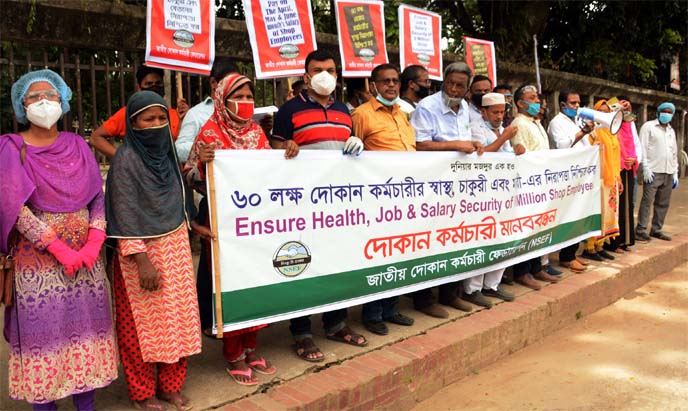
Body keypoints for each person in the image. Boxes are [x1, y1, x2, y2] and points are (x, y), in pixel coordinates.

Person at [1, 69, 117, 410]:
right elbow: (13, 207)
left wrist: (95, 240)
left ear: (63, 100)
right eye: (34, 97)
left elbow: (97, 195)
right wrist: (57, 247)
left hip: (86, 262)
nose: (43, 102)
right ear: (21, 105)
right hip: (38, 266)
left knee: (85, 333)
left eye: (50, 95)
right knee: (45, 338)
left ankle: (87, 406)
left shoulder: (78, 144)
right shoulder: (11, 147)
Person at [184, 74, 298, 385]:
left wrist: (287, 150)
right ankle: (233, 352)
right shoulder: (209, 132)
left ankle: (252, 347)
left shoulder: (258, 133)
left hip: (254, 218)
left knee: (255, 279)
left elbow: (268, 172)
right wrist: (201, 165)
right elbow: (190, 177)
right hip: (220, 217)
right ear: (223, 98)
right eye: (240, 96)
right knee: (229, 285)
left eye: (250, 96)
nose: (246, 102)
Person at [105, 91, 201, 410]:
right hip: (141, 255)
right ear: (133, 123)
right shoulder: (126, 159)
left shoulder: (169, 154)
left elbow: (183, 192)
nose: (157, 125)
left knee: (178, 321)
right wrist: (142, 260)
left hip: (176, 249)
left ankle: (171, 386)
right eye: (149, 119)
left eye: (162, 118)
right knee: (141, 329)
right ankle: (143, 392)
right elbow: (124, 210)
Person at [271, 49, 367, 362]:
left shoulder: (344, 110)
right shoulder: (289, 110)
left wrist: (356, 144)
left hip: (339, 205)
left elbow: (346, 147)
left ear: (337, 74)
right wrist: (285, 146)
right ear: (306, 73)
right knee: (303, 265)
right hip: (302, 204)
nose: (324, 74)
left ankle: (336, 323)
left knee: (338, 262)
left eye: (330, 69)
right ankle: (301, 332)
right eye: (317, 69)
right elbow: (273, 150)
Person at [410, 61, 483, 317]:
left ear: (468, 89)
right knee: (429, 241)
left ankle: (451, 294)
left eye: (460, 85)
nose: (453, 89)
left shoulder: (464, 108)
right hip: (431, 187)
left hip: (458, 187)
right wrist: (457, 145)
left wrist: (471, 144)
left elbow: (463, 142)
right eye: (449, 83)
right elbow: (420, 144)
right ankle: (424, 300)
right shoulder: (427, 106)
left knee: (456, 237)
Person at [352, 63, 416, 334]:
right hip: (378, 200)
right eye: (385, 81)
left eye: (395, 81)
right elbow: (352, 156)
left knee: (400, 252)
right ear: (373, 85)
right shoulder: (362, 114)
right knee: (378, 255)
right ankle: (373, 313)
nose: (391, 85)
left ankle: (391, 308)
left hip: (405, 198)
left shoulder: (403, 115)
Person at [462, 92, 523, 308]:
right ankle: (473, 289)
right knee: (482, 238)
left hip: (503, 194)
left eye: (502, 112)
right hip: (482, 195)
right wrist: (505, 138)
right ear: (483, 111)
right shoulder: (476, 128)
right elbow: (482, 154)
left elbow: (505, 155)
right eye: (495, 112)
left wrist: (515, 149)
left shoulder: (502, 129)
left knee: (504, 237)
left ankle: (492, 285)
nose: (499, 116)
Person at [509, 84, 561, 290]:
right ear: (520, 103)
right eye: (532, 99)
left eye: (537, 99)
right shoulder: (519, 123)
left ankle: (537, 267)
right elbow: (522, 154)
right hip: (528, 186)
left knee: (539, 227)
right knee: (526, 228)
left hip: (542, 184)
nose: (537, 102)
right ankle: (522, 271)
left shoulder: (536, 123)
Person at [90, 65, 189, 159]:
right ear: (139, 88)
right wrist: (123, 159)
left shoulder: (177, 114)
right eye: (149, 84)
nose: (154, 87)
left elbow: (182, 147)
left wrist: (185, 119)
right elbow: (95, 138)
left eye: (158, 83)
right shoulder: (128, 113)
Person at [546, 91, 595, 273]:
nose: (576, 106)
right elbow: (562, 146)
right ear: (562, 105)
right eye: (572, 103)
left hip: (580, 175)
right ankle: (565, 256)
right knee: (566, 216)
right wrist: (582, 132)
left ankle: (571, 254)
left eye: (578, 103)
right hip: (564, 176)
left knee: (578, 215)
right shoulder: (556, 123)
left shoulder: (576, 121)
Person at [175, 57, 239, 162]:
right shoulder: (196, 114)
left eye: (237, 82)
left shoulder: (241, 112)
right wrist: (201, 150)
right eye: (229, 81)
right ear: (213, 83)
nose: (235, 86)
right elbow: (179, 149)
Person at [580, 100, 621, 261]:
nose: (605, 114)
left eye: (607, 111)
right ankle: (590, 248)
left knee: (608, 213)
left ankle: (600, 245)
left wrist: (618, 177)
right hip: (598, 179)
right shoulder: (593, 132)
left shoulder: (612, 132)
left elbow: (616, 157)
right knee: (597, 212)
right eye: (601, 111)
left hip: (611, 179)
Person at [635, 102, 679, 242]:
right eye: (664, 111)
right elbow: (642, 148)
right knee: (647, 201)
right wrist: (645, 168)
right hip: (653, 171)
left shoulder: (671, 131)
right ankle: (640, 230)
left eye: (669, 112)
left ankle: (656, 229)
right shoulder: (648, 127)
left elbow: (674, 152)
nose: (666, 114)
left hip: (668, 171)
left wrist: (675, 172)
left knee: (663, 203)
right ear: (658, 112)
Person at [604, 97, 638, 253]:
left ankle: (626, 240)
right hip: (615, 168)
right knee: (616, 206)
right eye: (622, 107)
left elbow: (636, 144)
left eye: (627, 107)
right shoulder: (611, 126)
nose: (625, 110)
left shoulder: (630, 125)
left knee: (627, 204)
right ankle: (614, 243)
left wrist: (635, 159)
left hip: (629, 167)